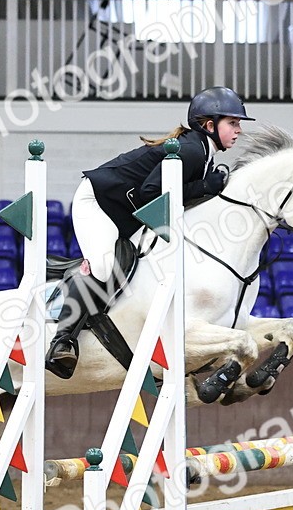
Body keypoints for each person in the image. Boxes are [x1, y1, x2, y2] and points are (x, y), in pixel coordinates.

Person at [45, 86, 255, 379]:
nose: (239, 130)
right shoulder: (193, 151)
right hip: (98, 203)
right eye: (233, 123)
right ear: (209, 125)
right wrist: (207, 186)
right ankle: (61, 341)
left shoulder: (204, 152)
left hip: (128, 211)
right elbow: (152, 193)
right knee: (106, 268)